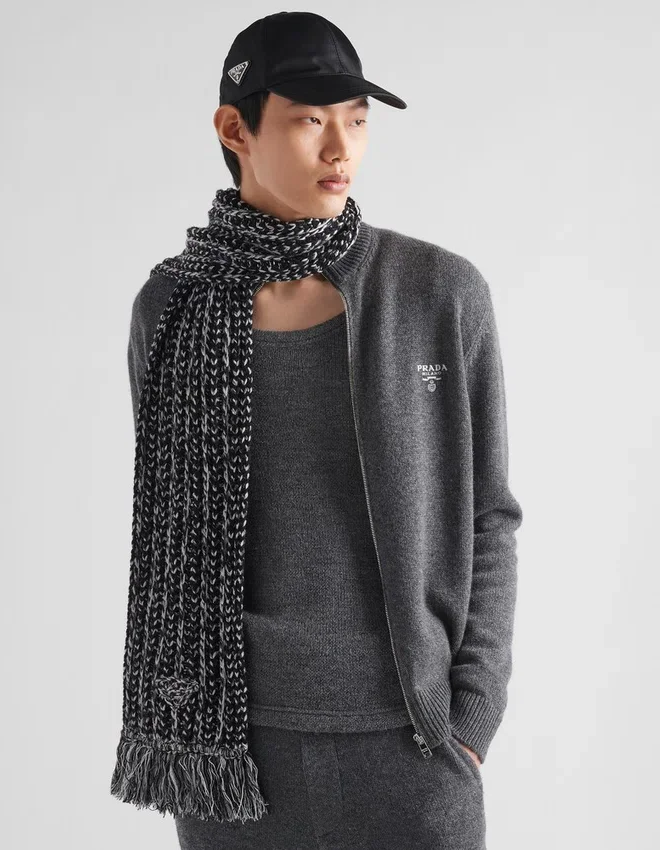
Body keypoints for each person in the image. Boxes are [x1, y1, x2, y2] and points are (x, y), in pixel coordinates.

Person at [111, 12, 523, 850]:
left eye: (357, 122)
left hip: (412, 739)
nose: (342, 149)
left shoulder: (438, 294)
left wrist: (472, 713)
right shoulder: (172, 311)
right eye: (310, 121)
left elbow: (490, 514)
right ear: (236, 130)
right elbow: (168, 522)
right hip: (229, 750)